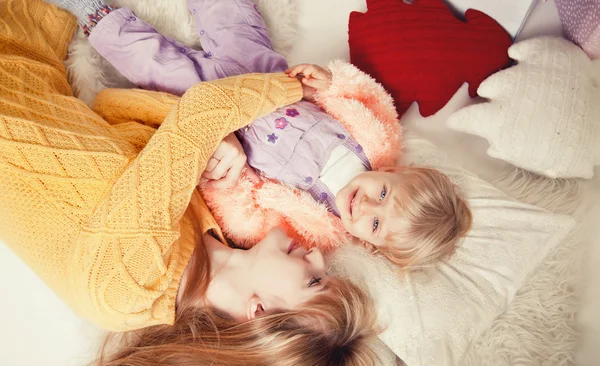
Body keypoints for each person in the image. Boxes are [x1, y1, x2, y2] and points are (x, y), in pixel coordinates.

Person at [0, 0, 379, 366]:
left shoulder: (129, 284)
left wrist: (289, 90)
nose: (318, 255)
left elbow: (201, 110)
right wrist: (217, 142)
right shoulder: (209, 229)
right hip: (30, 50)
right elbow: (112, 111)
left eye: (314, 280)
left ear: (259, 314)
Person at [50, 0, 473, 269]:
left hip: (219, 111)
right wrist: (328, 80)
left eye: (376, 223)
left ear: (371, 245)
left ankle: (93, 14)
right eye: (383, 193)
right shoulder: (377, 140)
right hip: (262, 70)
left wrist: (230, 181)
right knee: (230, 12)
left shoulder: (315, 229)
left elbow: (251, 221)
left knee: (151, 64)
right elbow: (363, 93)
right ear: (398, 170)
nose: (365, 206)